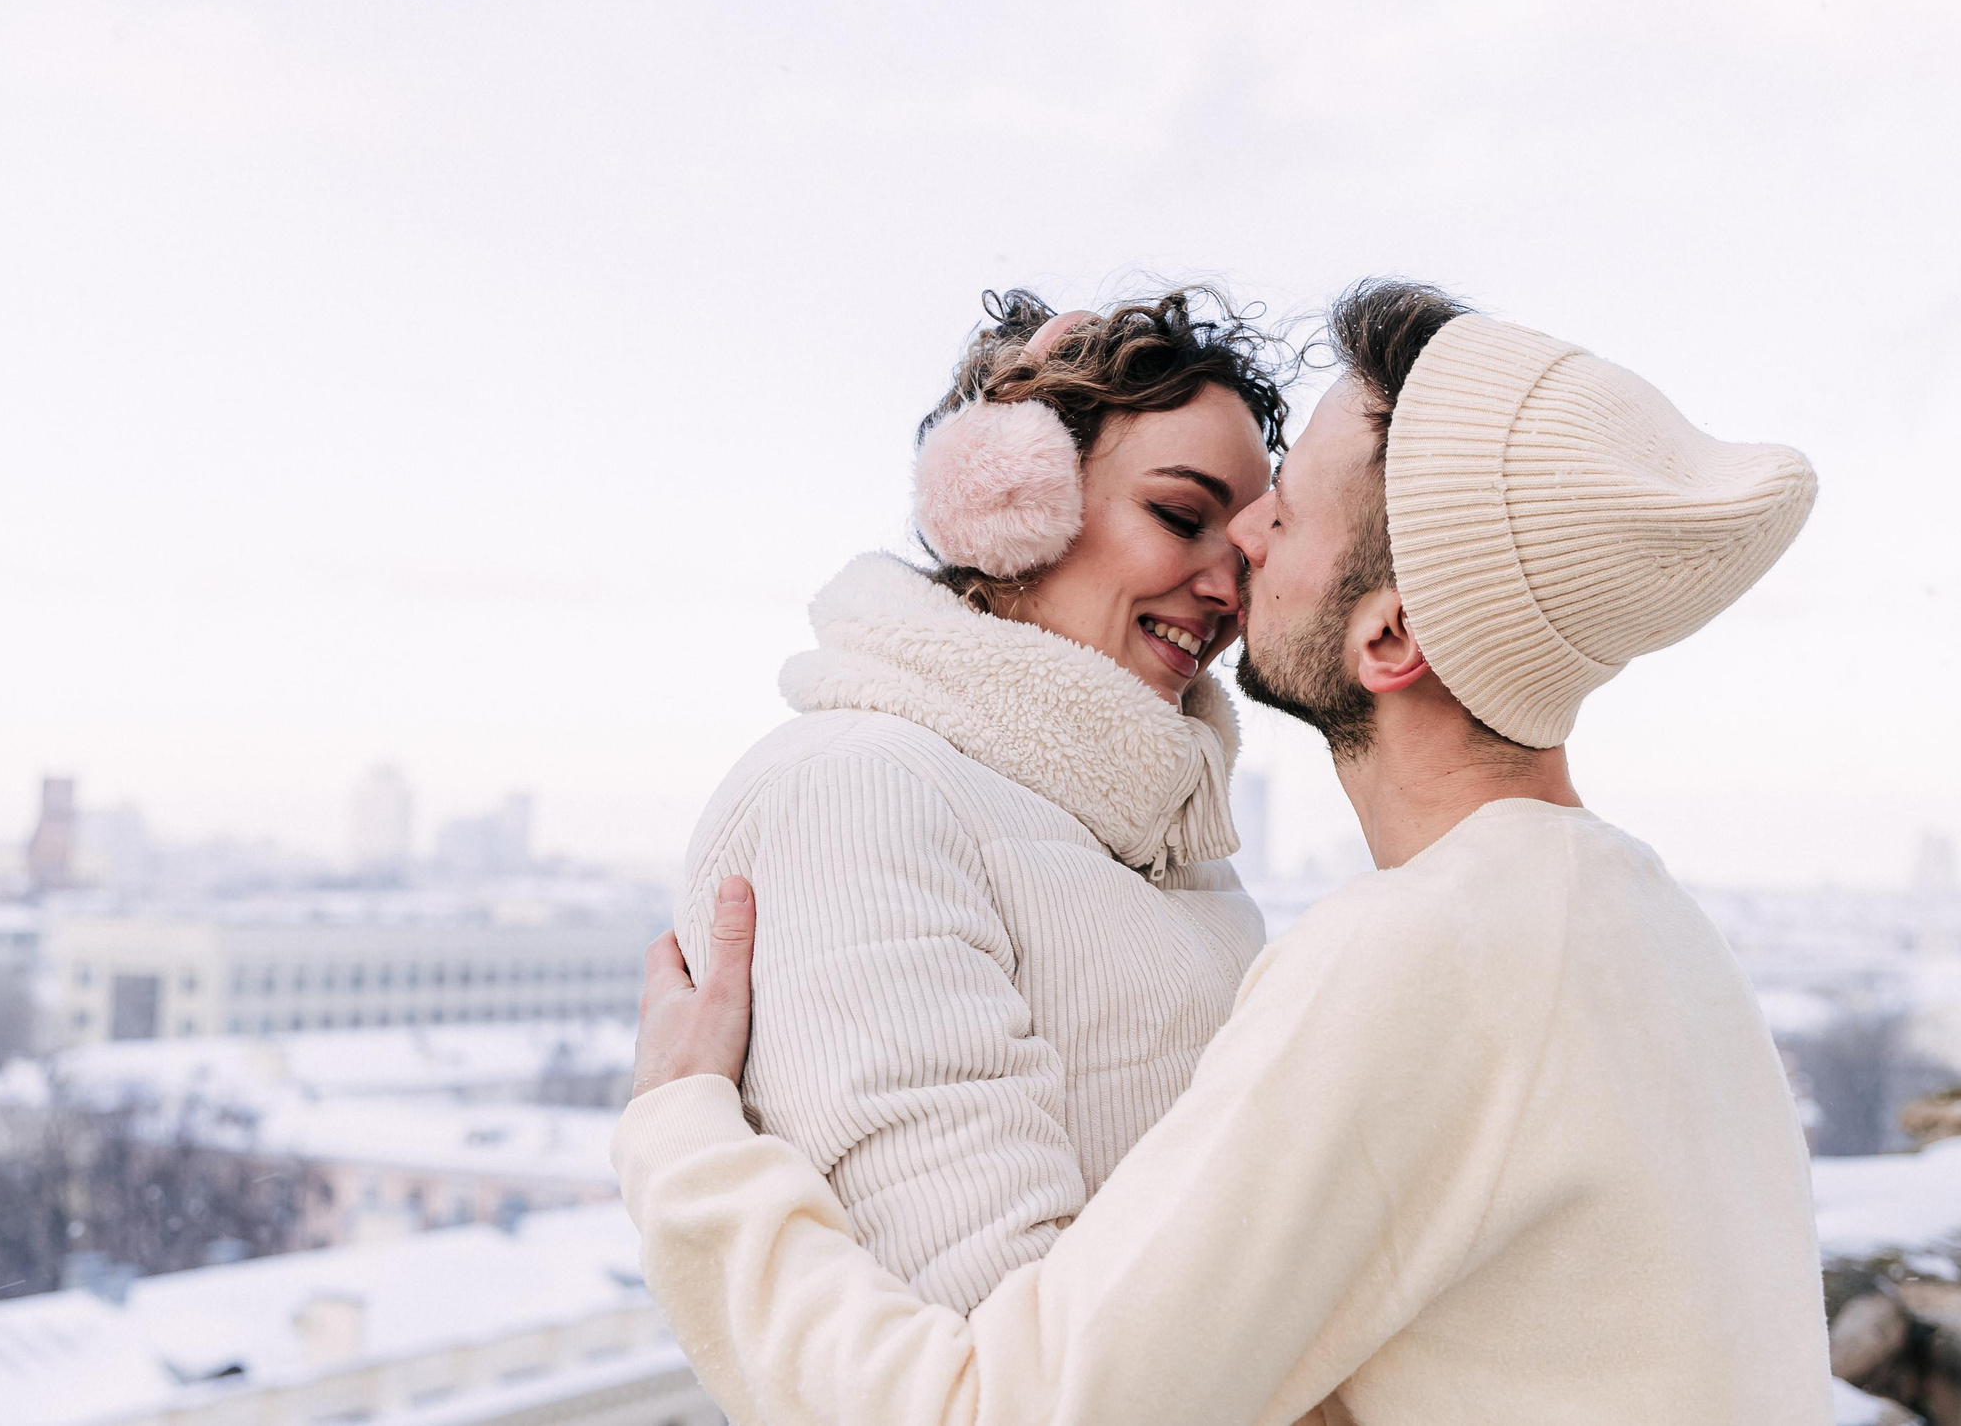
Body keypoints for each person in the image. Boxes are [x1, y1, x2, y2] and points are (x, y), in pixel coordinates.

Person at [621, 281, 1833, 1425]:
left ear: (1391, 632)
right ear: (1008, 504)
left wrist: (683, 1145)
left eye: (1280, 508)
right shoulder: (1654, 931)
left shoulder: (1419, 953)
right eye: (1183, 510)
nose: (1244, 550)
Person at [665, 285, 1292, 1313]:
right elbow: (978, 1328)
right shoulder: (854, 795)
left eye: (1250, 547)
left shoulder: (1169, 844)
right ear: (1011, 504)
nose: (1227, 588)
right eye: (1180, 516)